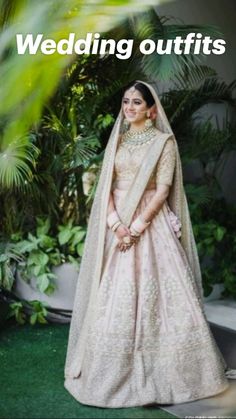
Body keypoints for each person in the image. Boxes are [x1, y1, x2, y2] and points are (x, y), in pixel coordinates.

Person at [64, 80, 229, 408]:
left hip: (149, 227)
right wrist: (115, 224)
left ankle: (173, 373)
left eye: (137, 103)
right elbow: (105, 188)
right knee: (114, 294)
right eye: (126, 102)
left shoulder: (163, 143)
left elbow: (163, 189)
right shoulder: (119, 142)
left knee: (161, 294)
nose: (129, 108)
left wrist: (136, 228)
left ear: (151, 110)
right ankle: (108, 372)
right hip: (119, 224)